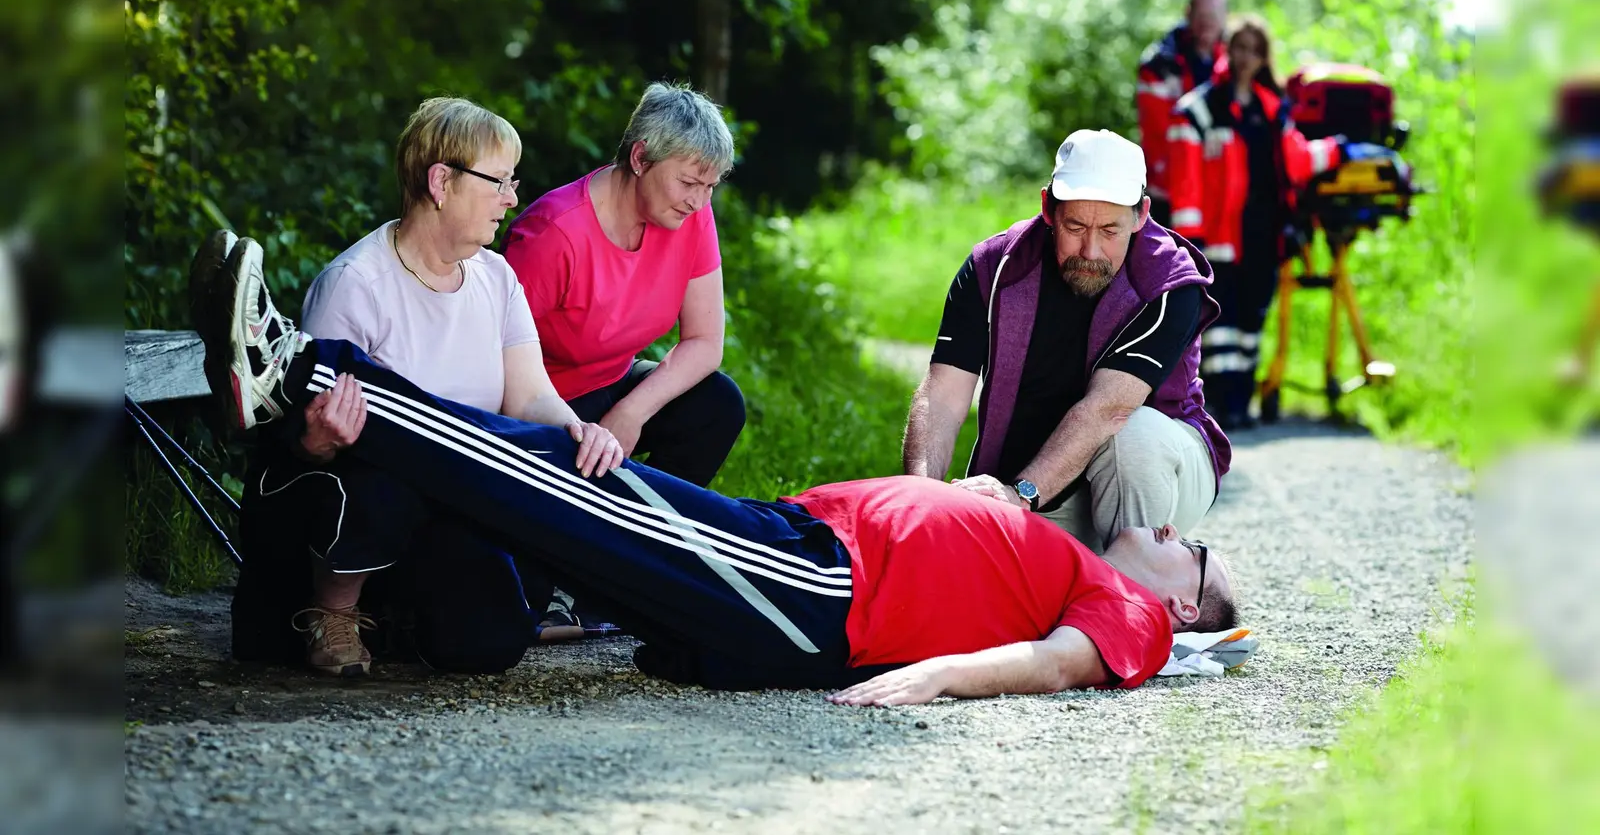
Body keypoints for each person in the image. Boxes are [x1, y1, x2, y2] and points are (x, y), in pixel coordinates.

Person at [191, 231, 1241, 703]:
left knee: (556, 477)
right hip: (800, 550)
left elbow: (1051, 665)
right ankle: (313, 424)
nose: (1172, 536)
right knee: (560, 493)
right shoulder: (1079, 560)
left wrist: (932, 682)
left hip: (818, 596)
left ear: (1183, 611)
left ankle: (303, 375)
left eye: (1190, 557)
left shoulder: (1131, 619)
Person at [214, 96, 626, 677]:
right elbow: (304, 452)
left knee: (490, 646)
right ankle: (334, 611)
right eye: (499, 181)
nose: (512, 199)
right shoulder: (355, 284)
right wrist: (319, 437)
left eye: (514, 181)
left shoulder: (496, 275)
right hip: (360, 503)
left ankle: (399, 615)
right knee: (394, 447)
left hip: (456, 501)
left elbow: (528, 396)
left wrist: (576, 429)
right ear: (441, 182)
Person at [902, 129, 1231, 556]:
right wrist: (916, 500)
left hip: (1159, 469)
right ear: (1048, 209)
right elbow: (943, 394)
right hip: (1038, 483)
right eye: (1075, 226)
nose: (1090, 251)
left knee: (1133, 434)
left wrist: (1020, 494)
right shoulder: (993, 267)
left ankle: (1132, 595)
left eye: (1110, 229)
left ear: (1142, 215)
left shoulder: (1170, 283)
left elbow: (1108, 410)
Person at [503, 82, 745, 491]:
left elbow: (705, 342)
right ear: (640, 158)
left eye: (710, 187)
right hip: (540, 408)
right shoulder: (554, 234)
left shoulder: (689, 217)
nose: (700, 202)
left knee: (718, 403)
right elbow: (486, 358)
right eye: (688, 183)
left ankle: (649, 535)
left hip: (613, 387)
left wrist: (631, 413)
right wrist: (574, 427)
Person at [1165, 16, 1345, 429]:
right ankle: (1219, 405)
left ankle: (1240, 404)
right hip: (1217, 236)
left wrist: (1340, 151)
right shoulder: (1198, 109)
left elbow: (1297, 159)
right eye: (1239, 47)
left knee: (1251, 321)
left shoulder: (1272, 107)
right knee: (1220, 324)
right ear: (1226, 50)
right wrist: (1190, 241)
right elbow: (1186, 183)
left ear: (1264, 56)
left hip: (1262, 233)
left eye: (1254, 49)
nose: (1246, 57)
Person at [1137, 0, 1229, 228]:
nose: (1207, 22)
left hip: (1218, 186)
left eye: (1214, 16)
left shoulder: (1232, 59)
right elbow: (1160, 131)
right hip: (1168, 183)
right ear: (1188, 15)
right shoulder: (1159, 63)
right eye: (1201, 15)